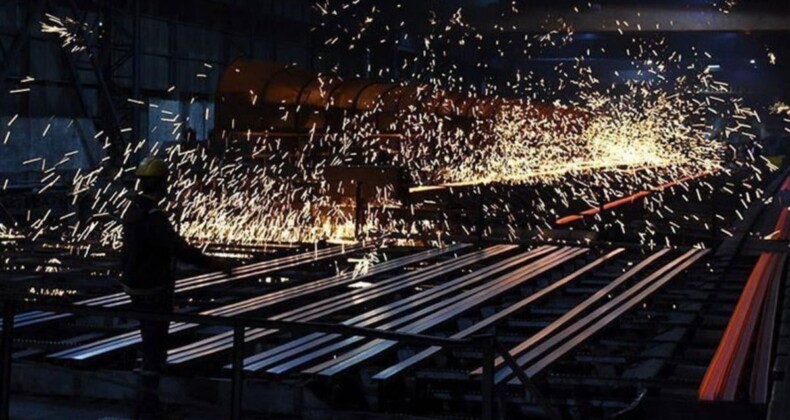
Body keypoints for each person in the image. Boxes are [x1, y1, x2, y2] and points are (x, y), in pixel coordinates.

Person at [121, 157, 227, 418]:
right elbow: (176, 247)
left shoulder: (134, 209)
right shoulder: (154, 216)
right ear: (161, 182)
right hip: (154, 291)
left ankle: (146, 401)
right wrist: (212, 263)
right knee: (155, 345)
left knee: (149, 343)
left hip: (136, 288)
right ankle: (148, 406)